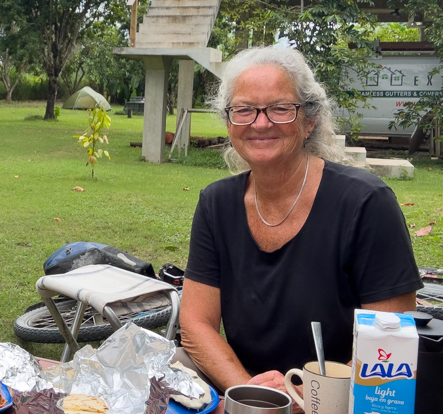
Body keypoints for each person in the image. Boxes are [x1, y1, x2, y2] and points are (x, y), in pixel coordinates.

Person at [180, 46, 421, 394]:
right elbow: (196, 324)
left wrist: (309, 393)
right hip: (245, 392)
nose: (260, 123)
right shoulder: (216, 204)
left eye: (280, 108)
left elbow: (392, 338)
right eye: (244, 110)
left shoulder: (366, 204)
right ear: (230, 123)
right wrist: (255, 394)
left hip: (346, 402)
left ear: (309, 120)